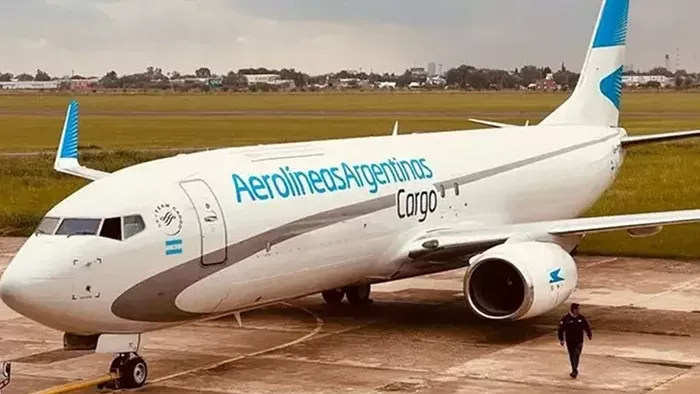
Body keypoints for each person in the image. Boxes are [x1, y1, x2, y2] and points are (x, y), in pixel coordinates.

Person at [558, 303, 592, 378]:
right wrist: (561, 339)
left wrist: (589, 334)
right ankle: (574, 369)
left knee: (576, 354)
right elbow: (561, 330)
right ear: (574, 310)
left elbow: (586, 326)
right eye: (578, 309)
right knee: (572, 355)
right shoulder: (566, 319)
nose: (579, 310)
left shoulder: (581, 318)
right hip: (570, 341)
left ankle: (574, 369)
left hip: (579, 340)